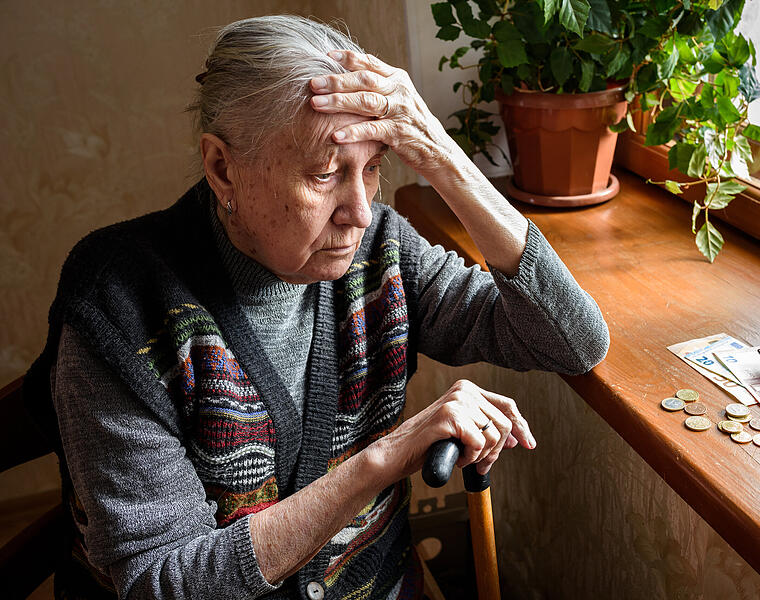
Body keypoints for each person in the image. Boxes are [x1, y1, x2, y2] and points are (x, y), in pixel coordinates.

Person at [24, 15, 609, 600]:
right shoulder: (118, 307)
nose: (358, 211)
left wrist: (441, 157)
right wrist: (385, 458)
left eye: (374, 167)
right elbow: (163, 581)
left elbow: (571, 340)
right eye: (325, 174)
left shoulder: (381, 249)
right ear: (223, 167)